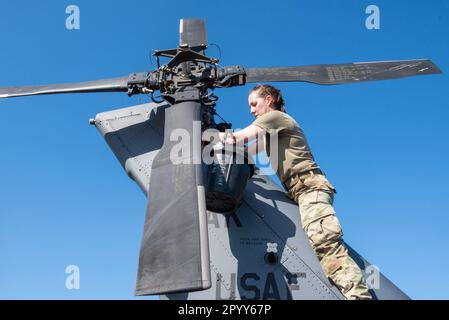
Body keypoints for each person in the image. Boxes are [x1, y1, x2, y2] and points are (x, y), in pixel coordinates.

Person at [215, 84, 371, 300]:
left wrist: (206, 134)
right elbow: (244, 153)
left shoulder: (276, 118)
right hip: (299, 192)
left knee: (324, 242)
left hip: (310, 188)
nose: (251, 110)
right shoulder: (270, 134)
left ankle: (359, 297)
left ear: (268, 100)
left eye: (254, 104)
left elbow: (236, 139)